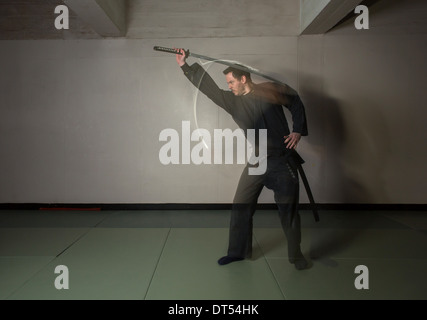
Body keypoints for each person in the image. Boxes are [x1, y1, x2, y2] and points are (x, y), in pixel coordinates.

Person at [175, 48, 309, 270]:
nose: (229, 86)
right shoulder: (232, 101)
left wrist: (298, 130)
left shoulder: (269, 91)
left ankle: (296, 256)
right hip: (258, 160)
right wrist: (184, 66)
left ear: (243, 78)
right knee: (241, 205)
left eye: (231, 82)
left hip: (282, 160)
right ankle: (237, 252)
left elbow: (294, 100)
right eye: (228, 83)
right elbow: (208, 88)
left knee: (289, 211)